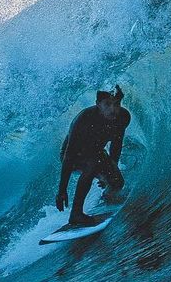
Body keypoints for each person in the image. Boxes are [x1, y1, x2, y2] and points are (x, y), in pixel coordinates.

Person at [56, 85, 131, 226]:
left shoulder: (123, 117)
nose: (112, 109)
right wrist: (62, 190)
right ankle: (76, 214)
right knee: (92, 163)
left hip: (96, 153)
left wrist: (112, 168)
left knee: (117, 182)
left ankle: (106, 197)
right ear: (98, 104)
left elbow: (116, 143)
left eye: (116, 104)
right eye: (107, 104)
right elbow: (68, 156)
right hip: (72, 156)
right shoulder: (84, 119)